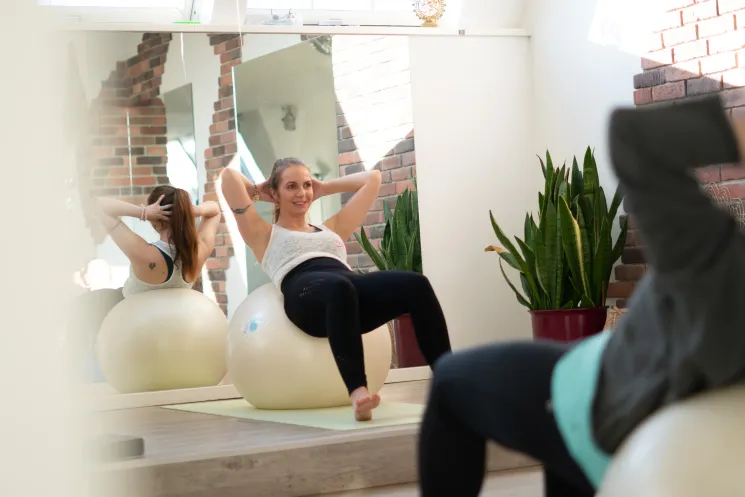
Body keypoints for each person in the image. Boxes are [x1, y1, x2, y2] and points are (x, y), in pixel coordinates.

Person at [417, 95, 745, 497]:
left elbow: (634, 138)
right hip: (614, 382)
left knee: (449, 380)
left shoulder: (718, 263)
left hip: (600, 406)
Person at [220, 158, 452, 421]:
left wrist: (323, 188)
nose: (302, 193)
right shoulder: (262, 234)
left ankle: (449, 381)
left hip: (348, 290)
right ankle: (358, 393)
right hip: (305, 296)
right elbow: (228, 177)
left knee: (417, 284)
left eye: (307, 185)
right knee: (339, 287)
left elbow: (372, 179)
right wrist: (261, 191)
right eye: (291, 186)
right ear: (275, 193)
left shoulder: (332, 228)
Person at [67, 186, 221, 380]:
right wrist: (192, 211)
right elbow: (215, 210)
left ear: (155, 221)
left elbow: (99, 205)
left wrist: (144, 212)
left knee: (77, 308)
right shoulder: (198, 252)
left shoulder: (145, 254)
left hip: (128, 313)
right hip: (169, 320)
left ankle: (70, 380)